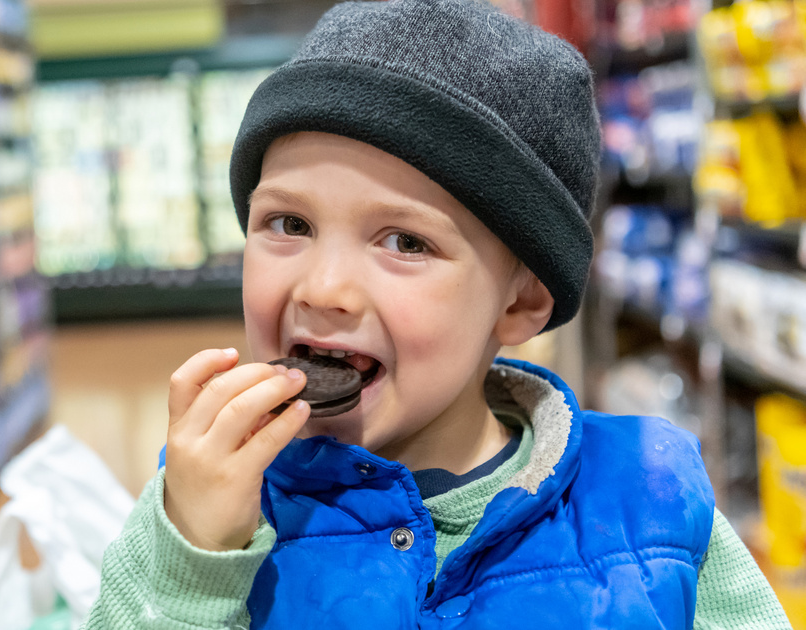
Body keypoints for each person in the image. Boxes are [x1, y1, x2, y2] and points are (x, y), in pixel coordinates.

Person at [81, 0, 792, 627]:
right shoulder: (206, 508)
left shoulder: (652, 502)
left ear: (520, 300)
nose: (323, 287)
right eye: (288, 224)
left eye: (404, 241)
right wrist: (193, 562)